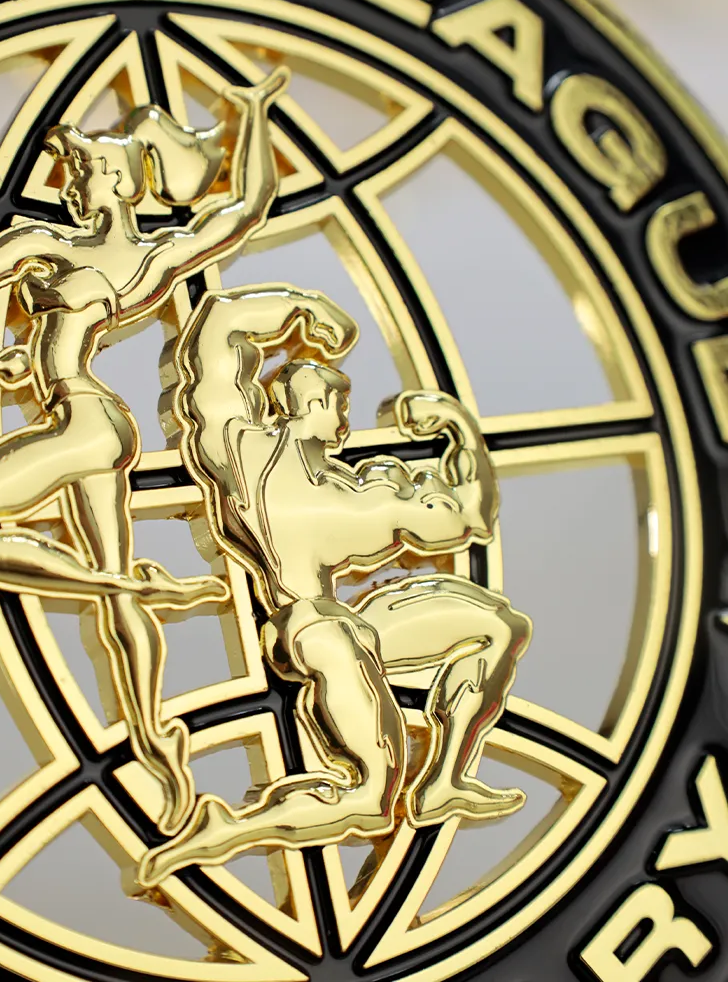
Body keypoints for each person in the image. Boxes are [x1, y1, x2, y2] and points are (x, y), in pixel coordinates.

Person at [0, 69, 290, 837]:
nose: (69, 184)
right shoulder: (151, 260)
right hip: (104, 424)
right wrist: (251, 116)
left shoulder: (48, 247)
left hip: (79, 420)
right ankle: (162, 758)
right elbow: (245, 208)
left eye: (79, 171)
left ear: (110, 179)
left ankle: (133, 585)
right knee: (115, 618)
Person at [138, 286, 531, 885]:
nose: (346, 420)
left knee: (498, 627)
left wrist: (458, 430)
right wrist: (301, 310)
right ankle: (227, 831)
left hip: (353, 623)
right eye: (338, 404)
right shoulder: (251, 458)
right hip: (312, 628)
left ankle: (444, 782)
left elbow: (470, 519)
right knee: (372, 799)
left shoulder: (352, 492)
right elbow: (215, 336)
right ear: (312, 403)